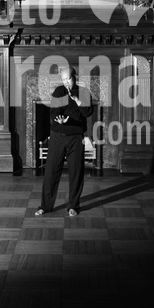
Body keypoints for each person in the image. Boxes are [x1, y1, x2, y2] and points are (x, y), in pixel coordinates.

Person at [35, 66, 93, 217]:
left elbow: (88, 112)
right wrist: (59, 119)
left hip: (76, 137)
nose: (66, 82)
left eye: (68, 79)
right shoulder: (59, 91)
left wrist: (77, 100)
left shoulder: (83, 92)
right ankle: (45, 206)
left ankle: (73, 206)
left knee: (76, 172)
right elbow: (54, 113)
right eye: (63, 79)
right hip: (58, 136)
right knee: (51, 172)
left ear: (75, 77)